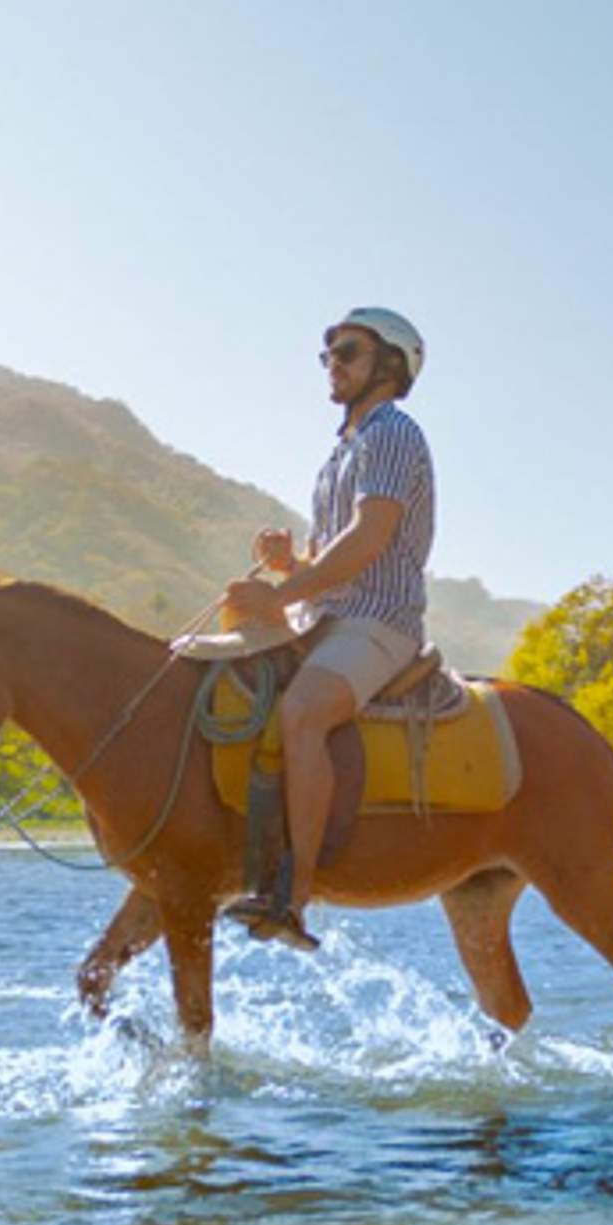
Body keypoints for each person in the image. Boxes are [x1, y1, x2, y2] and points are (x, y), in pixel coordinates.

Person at [217, 308, 438, 946]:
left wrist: (281, 591)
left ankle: (294, 893)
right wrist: (291, 565)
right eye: (328, 356)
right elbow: (332, 557)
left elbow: (369, 541)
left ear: (389, 365)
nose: (332, 365)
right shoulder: (341, 453)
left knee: (305, 712)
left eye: (347, 352)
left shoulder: (394, 432)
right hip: (325, 619)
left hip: (378, 622)